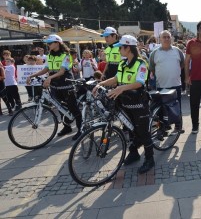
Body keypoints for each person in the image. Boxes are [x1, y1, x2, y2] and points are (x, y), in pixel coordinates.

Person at [93, 35, 154, 174]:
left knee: (143, 132)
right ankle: (134, 153)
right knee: (131, 130)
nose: (119, 50)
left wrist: (121, 88)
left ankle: (150, 159)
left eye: (120, 47)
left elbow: (140, 82)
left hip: (138, 102)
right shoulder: (122, 63)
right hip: (125, 102)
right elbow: (116, 79)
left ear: (128, 48)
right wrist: (101, 83)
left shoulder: (141, 63)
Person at [26, 34, 82, 140]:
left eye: (50, 43)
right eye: (47, 43)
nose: (48, 45)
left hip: (66, 83)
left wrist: (50, 78)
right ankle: (67, 127)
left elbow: (61, 71)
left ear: (57, 43)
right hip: (55, 85)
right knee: (59, 106)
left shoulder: (66, 55)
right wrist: (32, 75)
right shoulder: (50, 55)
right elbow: (46, 69)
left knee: (73, 107)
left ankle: (81, 129)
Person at [149, 30, 185, 134]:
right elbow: (152, 68)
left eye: (168, 37)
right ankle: (164, 127)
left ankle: (178, 127)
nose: (166, 39)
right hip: (161, 86)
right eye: (164, 37)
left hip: (176, 84)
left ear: (171, 39)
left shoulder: (177, 51)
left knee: (177, 107)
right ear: (159, 39)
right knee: (162, 109)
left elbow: (182, 64)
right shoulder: (154, 53)